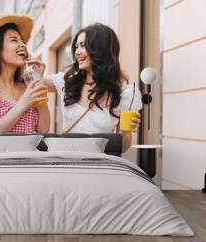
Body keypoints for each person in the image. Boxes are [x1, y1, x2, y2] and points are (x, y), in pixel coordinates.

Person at [29, 23, 142, 152]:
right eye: (76, 47)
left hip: (96, 165)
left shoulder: (124, 94)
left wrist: (126, 131)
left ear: (100, 48)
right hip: (64, 159)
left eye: (83, 46)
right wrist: (34, 69)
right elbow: (37, 83)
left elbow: (122, 148)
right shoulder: (68, 81)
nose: (77, 52)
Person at [0, 13, 50, 134]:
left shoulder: (26, 86)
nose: (22, 45)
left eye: (22, 41)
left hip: (31, 153)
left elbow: (43, 129)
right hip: (1, 153)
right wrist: (23, 104)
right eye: (14, 40)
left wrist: (37, 82)